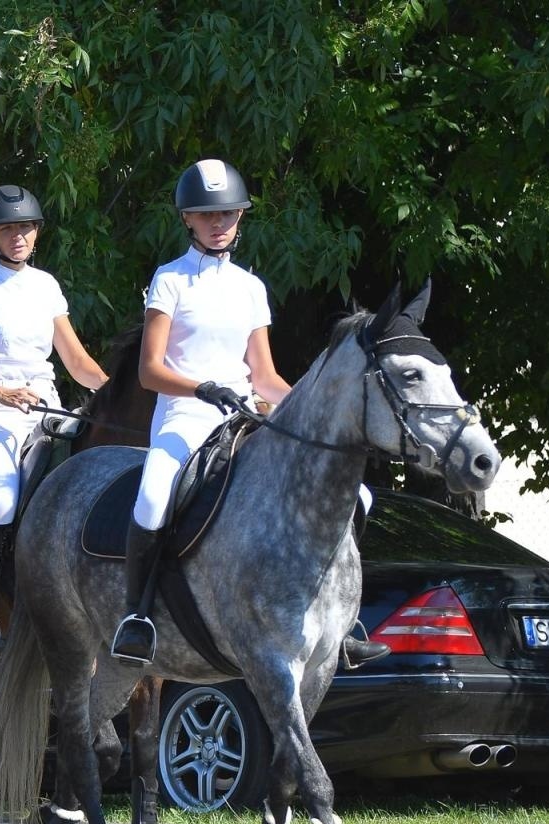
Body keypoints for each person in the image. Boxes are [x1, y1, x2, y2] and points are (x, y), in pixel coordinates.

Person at [109, 160, 389, 669]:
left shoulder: (249, 287)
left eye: (228, 214)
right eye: (206, 215)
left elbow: (263, 375)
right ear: (188, 219)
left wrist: (306, 406)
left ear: (240, 217)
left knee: (360, 494)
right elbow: (150, 371)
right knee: (151, 498)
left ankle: (345, 623)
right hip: (186, 417)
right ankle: (137, 617)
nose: (219, 224)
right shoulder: (169, 280)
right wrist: (204, 387)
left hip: (243, 417)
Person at [0, 185, 110, 655]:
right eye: (9, 228)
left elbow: (76, 361)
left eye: (27, 227)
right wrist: (0, 391)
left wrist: (116, 393)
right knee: (3, 498)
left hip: (47, 410)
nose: (19, 236)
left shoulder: (46, 286)